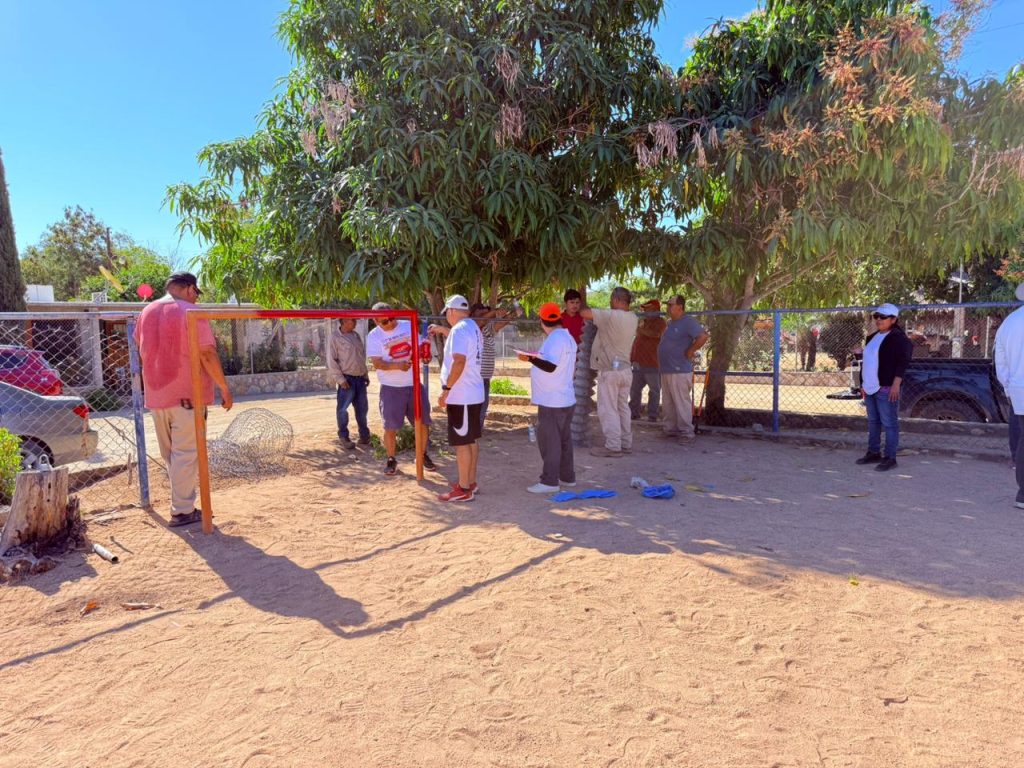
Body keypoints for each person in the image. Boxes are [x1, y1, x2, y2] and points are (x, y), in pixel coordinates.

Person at [133, 272, 232, 527]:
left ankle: (181, 505)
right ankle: (182, 511)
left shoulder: (146, 312)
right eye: (196, 293)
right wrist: (223, 387)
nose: (196, 298)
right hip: (188, 395)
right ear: (189, 289)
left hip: (156, 395)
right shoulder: (191, 312)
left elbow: (142, 348)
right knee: (186, 456)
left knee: (172, 457)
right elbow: (207, 353)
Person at [365, 302, 435, 476]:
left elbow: (421, 348)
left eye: (392, 318)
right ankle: (391, 459)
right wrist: (398, 365)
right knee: (390, 426)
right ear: (375, 321)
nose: (391, 323)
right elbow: (377, 363)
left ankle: (422, 454)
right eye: (385, 321)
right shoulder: (374, 336)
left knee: (422, 423)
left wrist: (425, 354)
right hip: (391, 388)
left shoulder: (407, 325)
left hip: (414, 385)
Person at [517, 302, 578, 493]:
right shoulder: (568, 337)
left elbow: (550, 366)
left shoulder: (554, 339)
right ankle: (567, 477)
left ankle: (550, 482)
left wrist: (530, 358)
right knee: (564, 441)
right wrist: (535, 358)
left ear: (542, 322)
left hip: (552, 400)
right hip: (565, 397)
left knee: (550, 442)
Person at [433, 294, 485, 502]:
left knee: (462, 443)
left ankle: (464, 489)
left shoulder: (459, 330)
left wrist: (447, 389)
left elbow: (459, 361)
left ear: (452, 311)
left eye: (447, 312)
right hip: (473, 393)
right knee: (470, 440)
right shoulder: (473, 327)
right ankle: (470, 482)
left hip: (461, 395)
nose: (447, 316)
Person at [579, 287, 638, 457]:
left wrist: (581, 296)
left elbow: (584, 313)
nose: (610, 302)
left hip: (611, 371)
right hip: (625, 370)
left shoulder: (611, 315)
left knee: (608, 409)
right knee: (622, 408)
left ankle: (613, 447)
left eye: (611, 299)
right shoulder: (633, 317)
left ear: (617, 300)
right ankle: (625, 443)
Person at [855, 303, 913, 472]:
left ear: (893, 320)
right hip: (869, 386)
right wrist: (862, 384)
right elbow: (868, 362)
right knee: (873, 421)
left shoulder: (899, 339)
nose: (879, 319)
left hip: (886, 387)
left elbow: (903, 362)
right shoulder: (872, 337)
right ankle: (873, 452)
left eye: (883, 317)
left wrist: (896, 384)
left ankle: (890, 457)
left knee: (889, 423)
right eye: (876, 316)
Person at [658, 295, 709, 444]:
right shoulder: (671, 323)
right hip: (667, 369)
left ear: (680, 307)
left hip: (679, 369)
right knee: (668, 403)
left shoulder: (688, 322)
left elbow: (703, 336)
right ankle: (670, 430)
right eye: (667, 305)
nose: (668, 307)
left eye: (670, 305)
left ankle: (686, 432)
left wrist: (690, 350)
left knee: (681, 402)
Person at [995, 283, 1024, 508]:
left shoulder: (1010, 321)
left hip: (1018, 390)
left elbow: (1000, 361)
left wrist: (1010, 387)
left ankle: (1022, 494)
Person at [327, 317, 371, 449]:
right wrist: (340, 380)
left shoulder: (356, 335)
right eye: (352, 320)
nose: (355, 322)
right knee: (342, 409)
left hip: (360, 378)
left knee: (362, 409)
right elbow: (331, 360)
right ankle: (344, 436)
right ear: (344, 321)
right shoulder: (335, 337)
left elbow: (360, 357)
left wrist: (365, 374)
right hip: (347, 379)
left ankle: (364, 436)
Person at [469, 303, 515, 429]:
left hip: (485, 377)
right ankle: (473, 431)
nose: (485, 317)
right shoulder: (475, 327)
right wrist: (495, 312)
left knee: (482, 406)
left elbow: (501, 323)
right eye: (482, 314)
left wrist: (514, 313)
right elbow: (485, 321)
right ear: (473, 314)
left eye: (486, 314)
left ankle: (476, 431)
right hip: (476, 377)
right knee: (476, 406)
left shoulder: (486, 328)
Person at [629, 298, 667, 421]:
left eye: (648, 309)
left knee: (654, 390)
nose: (645, 311)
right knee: (634, 389)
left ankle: (652, 415)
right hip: (638, 362)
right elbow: (637, 339)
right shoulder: (643, 321)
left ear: (656, 310)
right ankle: (633, 413)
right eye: (644, 309)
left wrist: (640, 329)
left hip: (653, 362)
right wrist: (632, 357)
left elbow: (656, 334)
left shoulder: (661, 322)